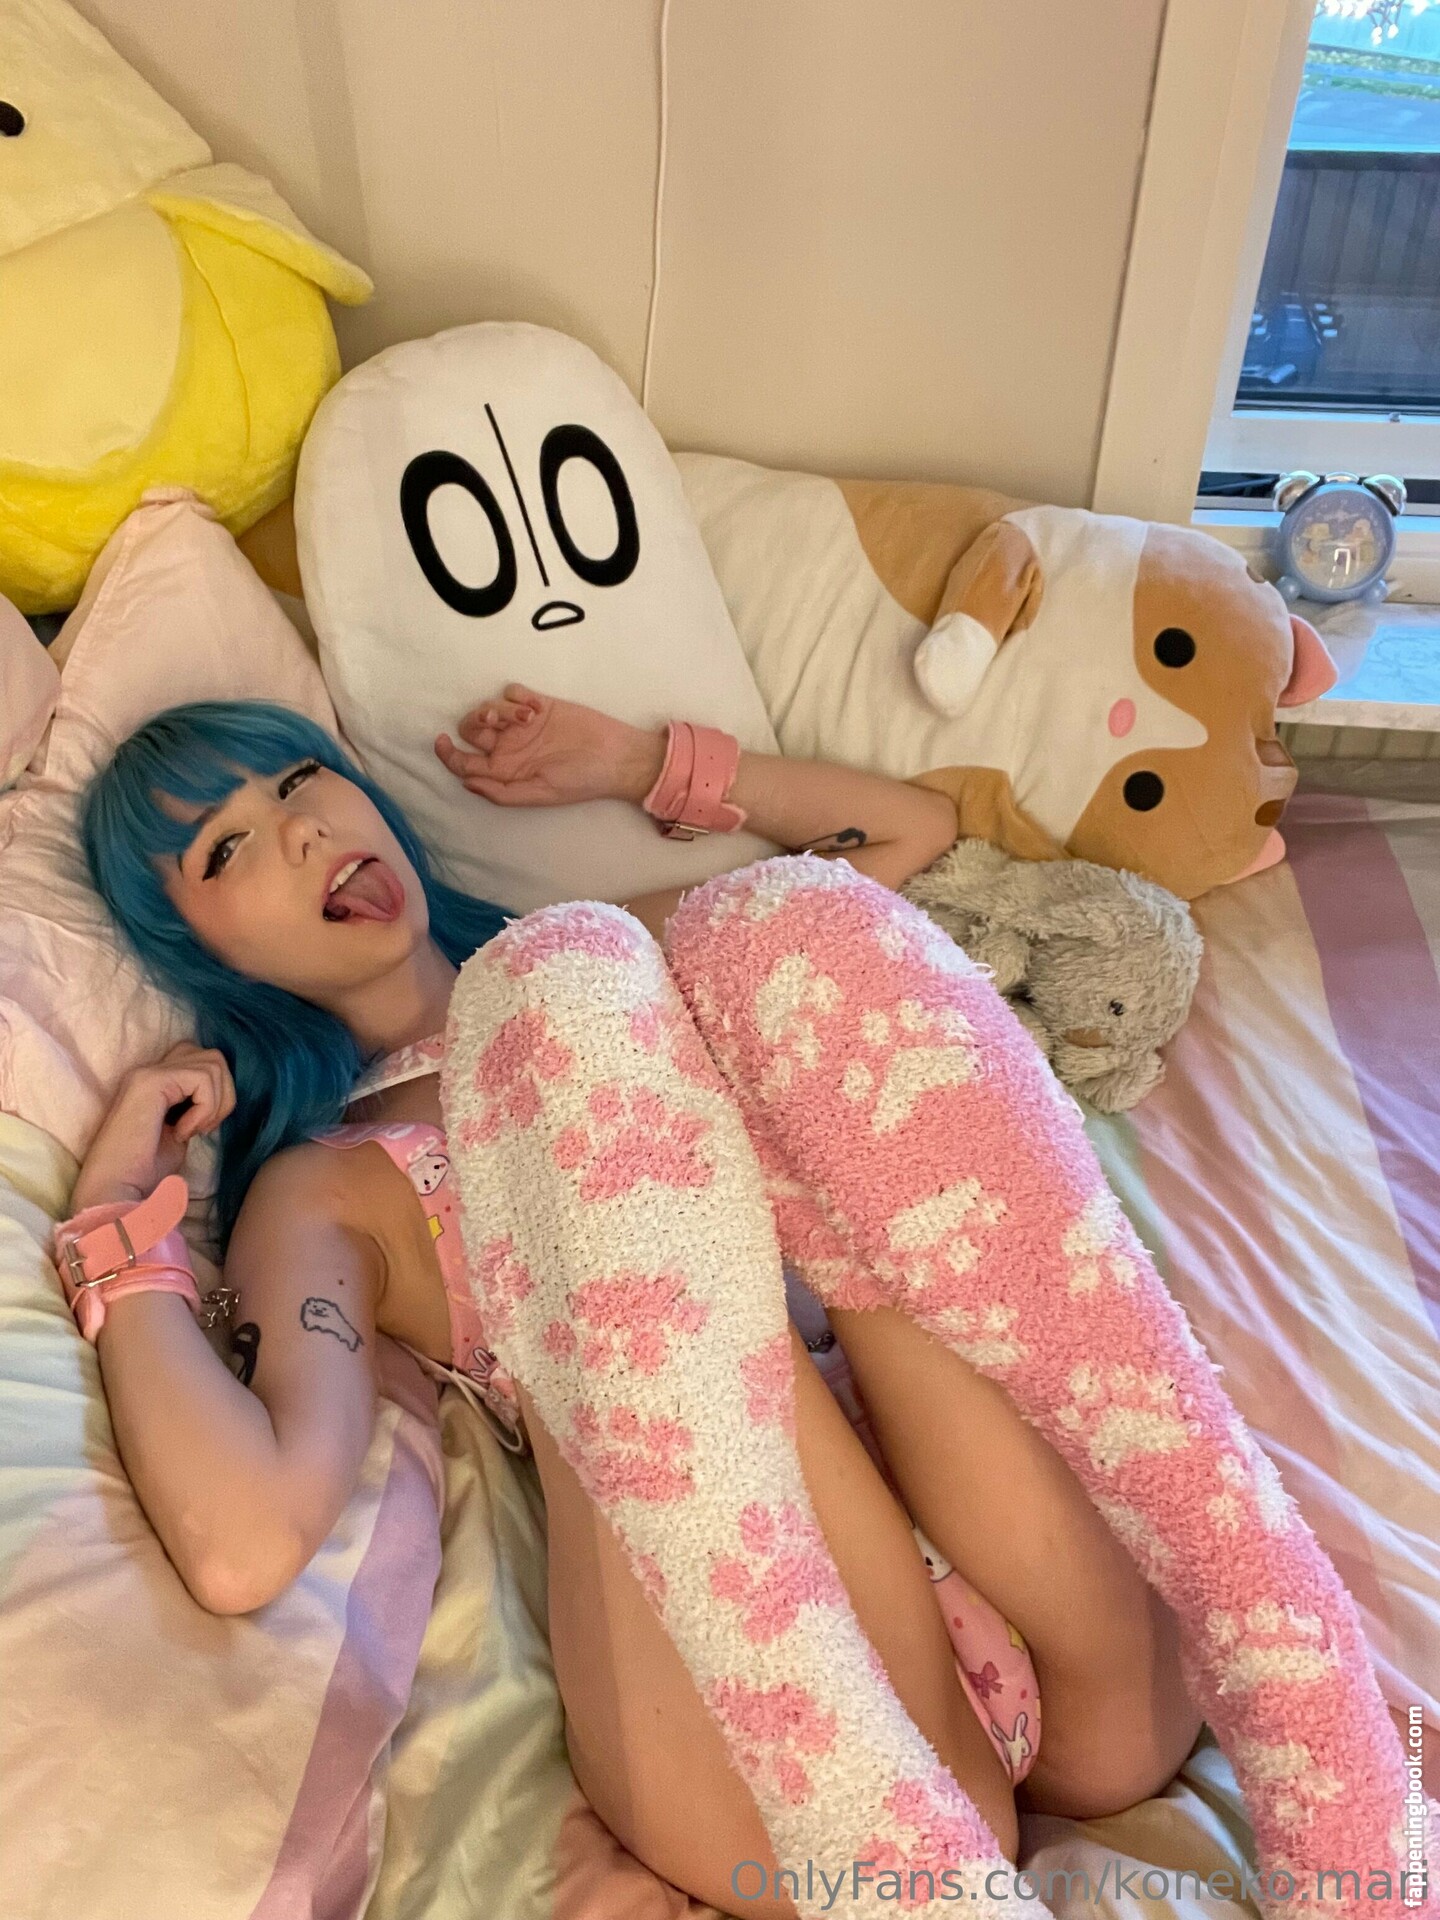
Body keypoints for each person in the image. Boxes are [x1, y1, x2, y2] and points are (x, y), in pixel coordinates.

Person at [65, 686, 1200, 1916]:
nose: (299, 830)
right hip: (733, 1675)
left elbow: (901, 843)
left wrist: (640, 762)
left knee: (857, 1109)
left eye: (299, 782)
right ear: (198, 953)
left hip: (978, 1536)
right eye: (226, 848)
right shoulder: (328, 1187)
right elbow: (243, 1540)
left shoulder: (612, 953)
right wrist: (115, 1214)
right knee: (648, 1250)